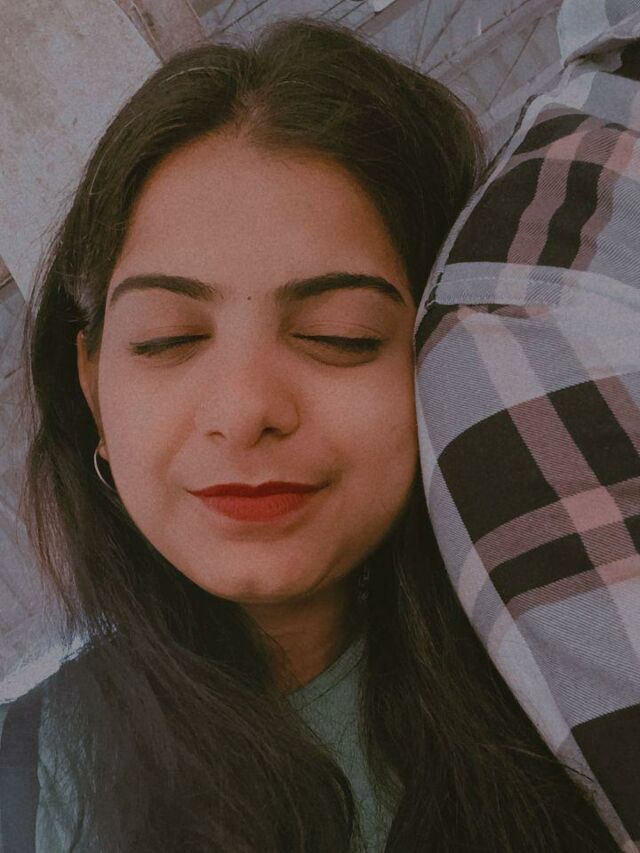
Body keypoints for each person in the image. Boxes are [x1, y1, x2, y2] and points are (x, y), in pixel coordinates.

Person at [0, 16, 622, 853]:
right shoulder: (27, 784)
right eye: (168, 339)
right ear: (93, 391)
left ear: (445, 350)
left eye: (340, 335)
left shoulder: (589, 646)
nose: (244, 408)